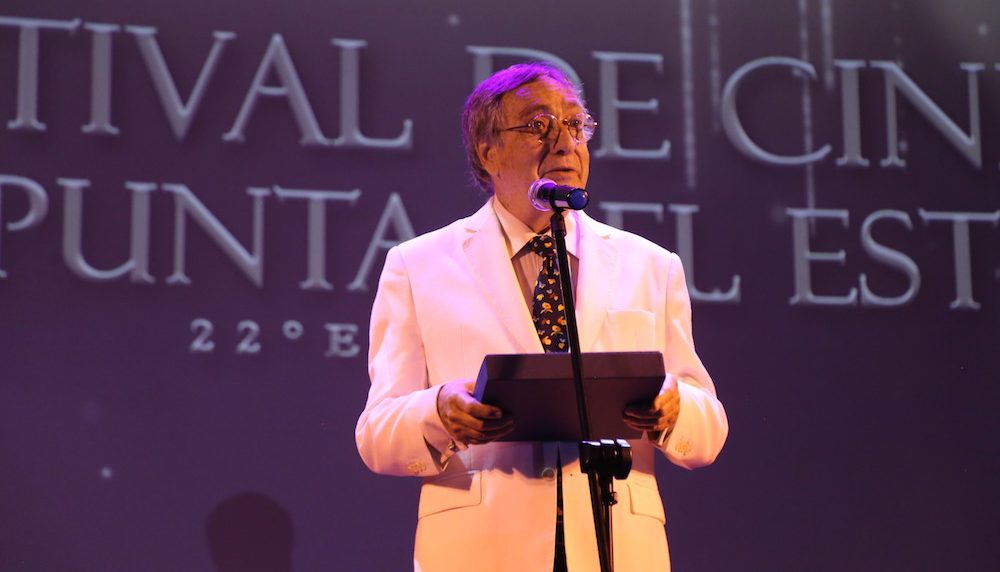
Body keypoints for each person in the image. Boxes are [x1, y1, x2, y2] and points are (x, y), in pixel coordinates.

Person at [355, 62, 728, 572]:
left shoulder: (651, 265)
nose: (564, 143)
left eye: (575, 124)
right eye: (537, 126)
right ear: (487, 152)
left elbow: (707, 428)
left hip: (616, 546)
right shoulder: (419, 265)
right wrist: (438, 412)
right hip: (480, 551)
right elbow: (377, 435)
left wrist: (674, 407)